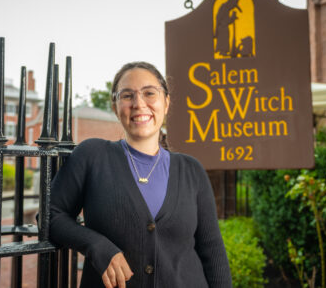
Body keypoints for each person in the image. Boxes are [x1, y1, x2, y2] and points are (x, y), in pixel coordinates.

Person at [49, 62, 232, 288]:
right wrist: (96, 245)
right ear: (116, 107)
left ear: (166, 102)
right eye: (127, 95)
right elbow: (51, 216)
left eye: (149, 93)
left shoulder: (191, 170)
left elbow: (213, 252)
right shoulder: (92, 155)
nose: (138, 104)